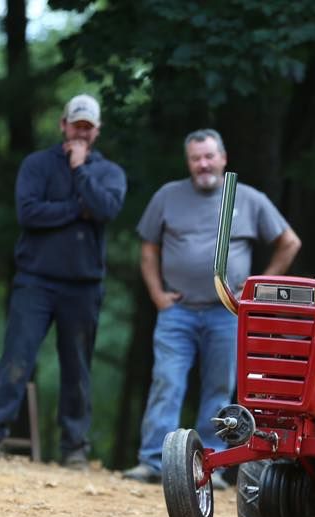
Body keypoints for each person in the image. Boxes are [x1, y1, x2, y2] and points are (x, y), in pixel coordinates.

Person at [123, 129, 301, 487]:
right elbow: (148, 249)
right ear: (188, 162)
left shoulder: (248, 198)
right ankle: (153, 461)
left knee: (219, 388)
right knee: (166, 382)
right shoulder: (168, 196)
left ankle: (210, 466)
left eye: (208, 156)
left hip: (228, 313)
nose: (203, 164)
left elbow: (289, 241)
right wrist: (157, 294)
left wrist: (258, 288)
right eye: (195, 158)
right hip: (178, 310)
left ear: (223, 158)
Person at [0, 94, 127, 469]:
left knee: (77, 366)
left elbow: (107, 209)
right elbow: (28, 213)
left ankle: (74, 448)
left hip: (84, 284)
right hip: (35, 280)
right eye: (76, 125)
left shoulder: (108, 173)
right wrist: (78, 209)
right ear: (63, 125)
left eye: (88, 127)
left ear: (97, 131)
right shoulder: (37, 165)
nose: (81, 132)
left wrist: (80, 172)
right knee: (17, 357)